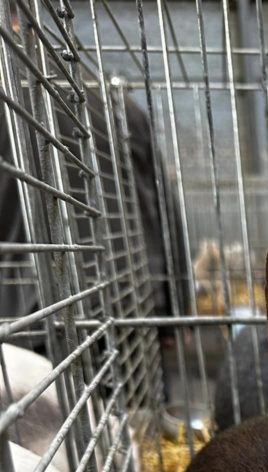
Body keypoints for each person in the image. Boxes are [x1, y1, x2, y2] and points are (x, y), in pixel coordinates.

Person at [0, 4, 189, 394]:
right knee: (134, 439)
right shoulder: (116, 101)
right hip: (127, 311)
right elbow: (164, 212)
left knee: (41, 446)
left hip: (22, 323)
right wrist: (174, 308)